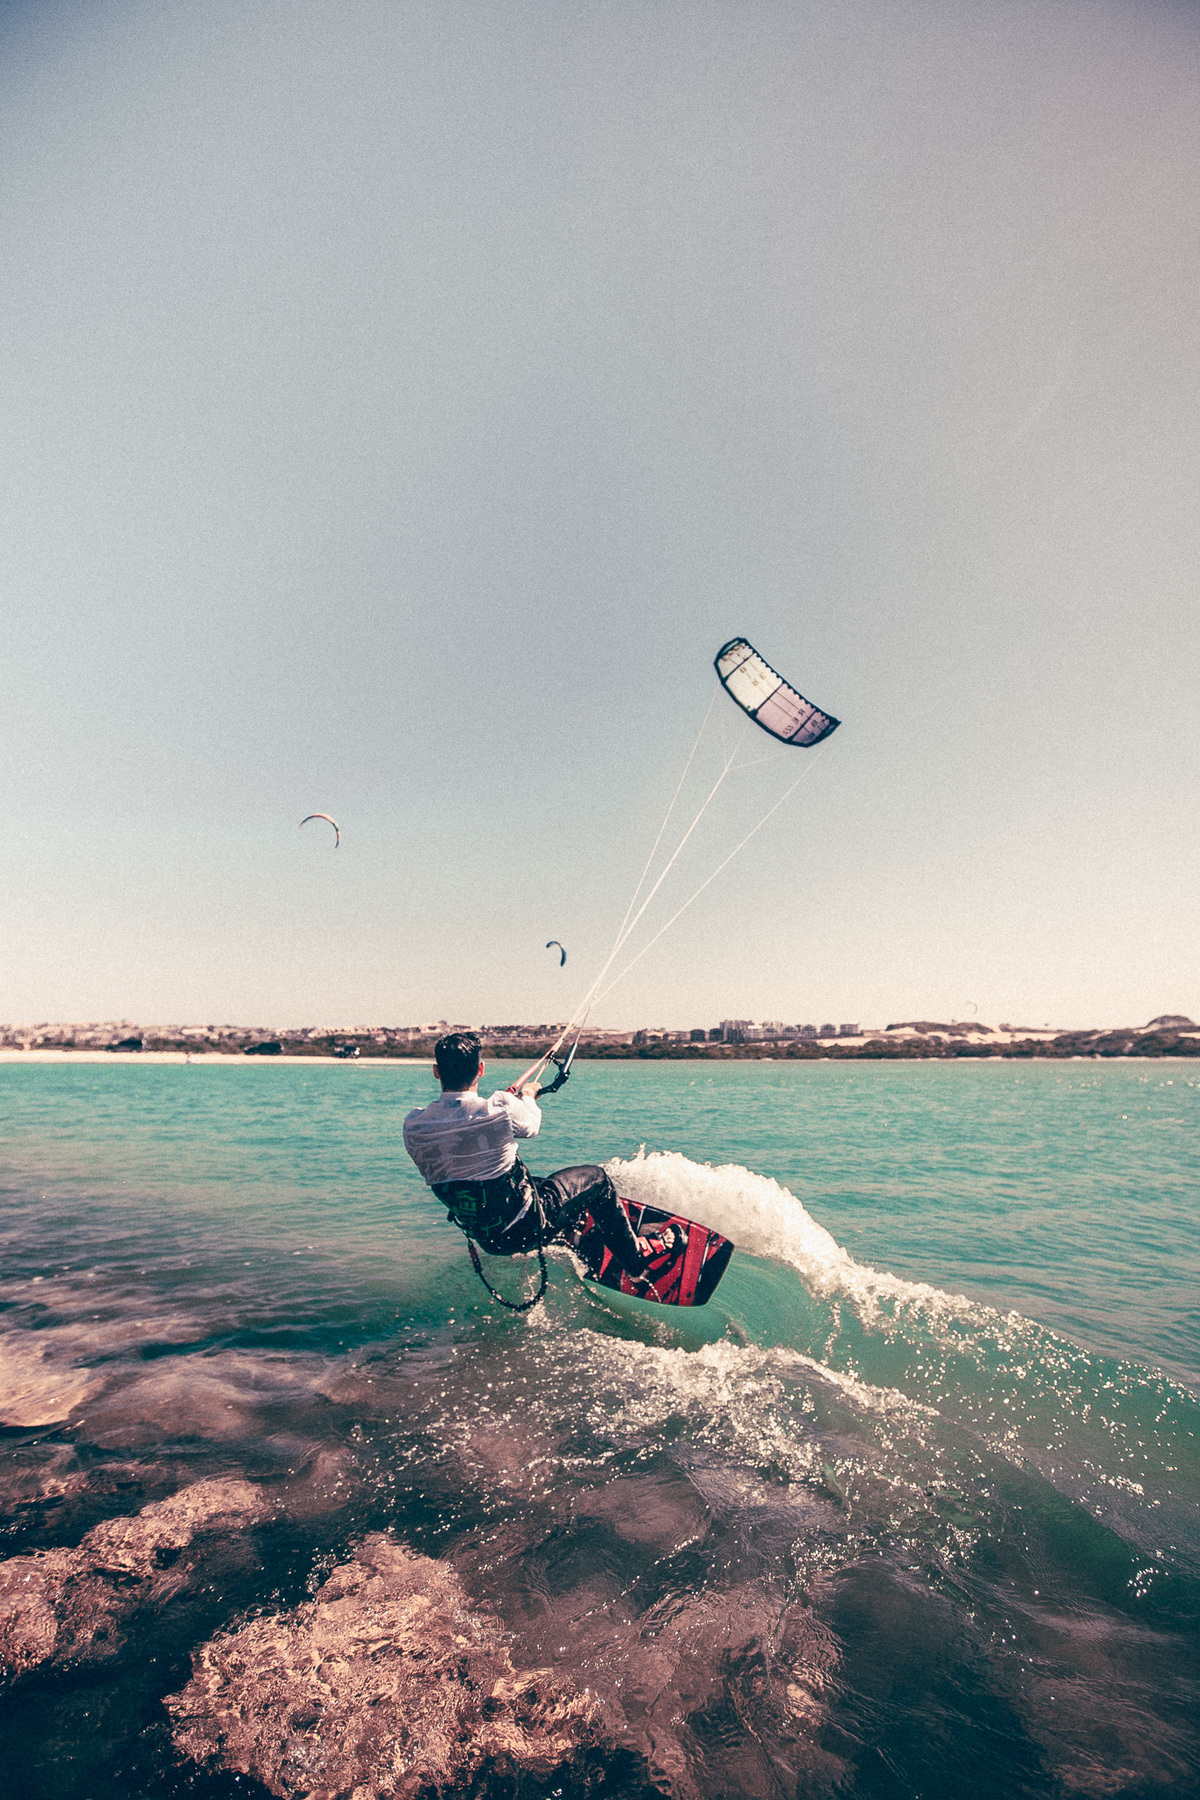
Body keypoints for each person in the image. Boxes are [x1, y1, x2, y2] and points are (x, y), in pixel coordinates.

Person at [402, 1032, 677, 1284]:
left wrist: (507, 1105)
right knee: (597, 1179)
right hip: (529, 1225)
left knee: (534, 1183)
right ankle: (636, 1266)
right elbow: (531, 1126)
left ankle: (572, 1230)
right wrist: (528, 1095)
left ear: (436, 1072)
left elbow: (461, 1147)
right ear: (481, 1069)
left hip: (489, 1239)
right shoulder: (499, 1107)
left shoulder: (414, 1124)